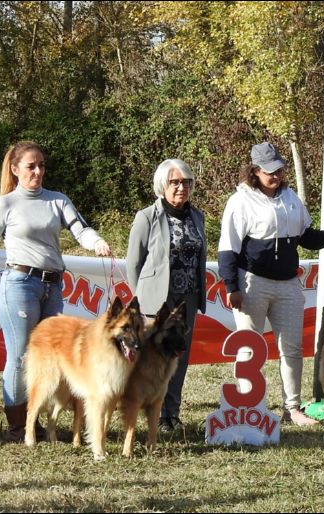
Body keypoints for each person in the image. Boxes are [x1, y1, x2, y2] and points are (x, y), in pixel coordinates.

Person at [0, 141, 112, 442]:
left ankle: (40, 422)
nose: (38, 171)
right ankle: (17, 428)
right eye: (30, 166)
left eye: (41, 166)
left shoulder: (57, 200)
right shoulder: (6, 204)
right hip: (19, 284)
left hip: (53, 286)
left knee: (51, 354)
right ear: (15, 169)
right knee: (21, 355)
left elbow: (80, 229)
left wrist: (97, 242)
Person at [218, 142, 324, 426]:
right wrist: (231, 287)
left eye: (279, 170)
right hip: (252, 281)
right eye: (269, 171)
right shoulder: (239, 201)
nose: (275, 175)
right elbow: (228, 249)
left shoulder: (291, 197)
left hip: (288, 284)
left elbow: (306, 236)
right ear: (254, 171)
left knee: (291, 348)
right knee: (249, 346)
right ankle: (248, 406)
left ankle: (292, 408)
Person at [126, 159, 206, 433]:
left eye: (186, 182)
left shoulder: (198, 217)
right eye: (175, 182)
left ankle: (171, 414)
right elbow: (134, 263)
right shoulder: (146, 216)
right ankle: (146, 413)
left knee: (178, 357)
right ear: (163, 185)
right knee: (151, 359)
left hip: (188, 300)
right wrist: (141, 300)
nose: (181, 187)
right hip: (155, 301)